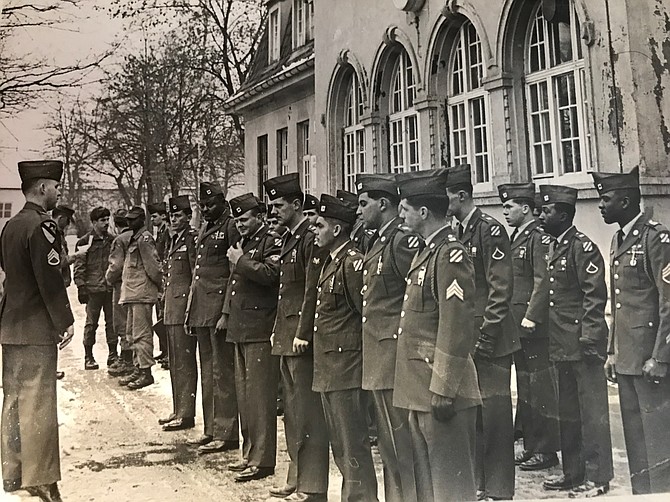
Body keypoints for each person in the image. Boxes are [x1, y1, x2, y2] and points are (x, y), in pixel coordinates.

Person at [393, 169, 481, 502]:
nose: (401, 214)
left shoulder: (449, 254)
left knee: (451, 488)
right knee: (430, 487)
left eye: (405, 208)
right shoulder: (427, 250)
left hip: (440, 388)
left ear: (423, 212)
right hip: (420, 386)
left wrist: (444, 388)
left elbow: (456, 324)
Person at [0, 160, 75, 502]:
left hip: (11, 327)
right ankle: (41, 477)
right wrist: (65, 320)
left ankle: (14, 472)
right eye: (56, 186)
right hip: (35, 328)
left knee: (14, 400)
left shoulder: (11, 225)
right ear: (43, 188)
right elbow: (49, 280)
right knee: (39, 403)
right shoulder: (42, 226)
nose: (58, 192)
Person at [593, 167, 670, 494]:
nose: (600, 205)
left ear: (625, 201)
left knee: (659, 442)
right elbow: (619, 301)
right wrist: (612, 351)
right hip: (627, 358)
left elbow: (667, 302)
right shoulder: (617, 238)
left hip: (649, 359)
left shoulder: (656, 237)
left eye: (605, 199)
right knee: (636, 439)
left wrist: (661, 357)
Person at [445, 164, 518, 500]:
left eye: (447, 194)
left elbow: (500, 289)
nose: (444, 200)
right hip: (469, 341)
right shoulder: (457, 232)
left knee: (495, 417)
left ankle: (500, 489)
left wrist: (485, 337)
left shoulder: (490, 231)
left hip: (492, 341)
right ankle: (479, 483)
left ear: (462, 195)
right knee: (473, 415)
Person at [538, 185, 613, 497]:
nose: (541, 215)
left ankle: (598, 478)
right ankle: (572, 473)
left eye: (547, 211)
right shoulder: (554, 246)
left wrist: (590, 339)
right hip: (561, 344)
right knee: (567, 412)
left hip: (583, 345)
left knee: (592, 415)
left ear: (564, 215)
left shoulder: (583, 247)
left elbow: (594, 297)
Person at [263, 173, 329, 502]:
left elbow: (310, 291)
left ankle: (313, 486)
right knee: (292, 410)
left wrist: (302, 333)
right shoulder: (290, 238)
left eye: (278, 205)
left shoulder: (308, 239)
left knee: (307, 413)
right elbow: (284, 293)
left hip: (300, 339)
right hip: (286, 335)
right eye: (270, 206)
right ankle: (297, 476)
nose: (272, 211)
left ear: (296, 204)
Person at [355, 173, 419, 502]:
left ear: (383, 204)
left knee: (401, 442)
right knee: (390, 444)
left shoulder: (400, 240)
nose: (358, 211)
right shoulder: (379, 239)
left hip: (394, 352)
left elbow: (417, 296)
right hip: (379, 353)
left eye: (363, 204)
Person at [312, 194, 378, 502]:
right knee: (340, 444)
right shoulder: (333, 260)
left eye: (320, 224)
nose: (314, 228)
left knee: (352, 444)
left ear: (337, 230)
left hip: (346, 368)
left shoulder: (352, 263)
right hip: (331, 367)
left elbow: (364, 315)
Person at [498, 183, 560, 471]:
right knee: (525, 389)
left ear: (525, 208)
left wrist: (533, 316)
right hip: (518, 327)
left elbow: (543, 279)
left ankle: (546, 451)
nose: (505, 211)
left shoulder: (538, 237)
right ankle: (531, 446)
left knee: (540, 389)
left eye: (509, 206)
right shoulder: (517, 237)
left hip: (532, 327)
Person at [223, 193, 281, 482]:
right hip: (242, 327)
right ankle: (249, 454)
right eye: (237, 220)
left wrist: (241, 261)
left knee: (259, 398)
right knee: (245, 397)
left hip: (259, 328)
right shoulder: (244, 243)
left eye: (244, 219)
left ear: (258, 217)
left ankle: (263, 459)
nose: (240, 224)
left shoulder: (270, 241)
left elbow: (272, 274)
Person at [185, 181, 240, 453]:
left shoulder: (230, 227)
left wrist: (226, 311)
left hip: (218, 309)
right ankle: (211, 428)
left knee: (222, 372)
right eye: (203, 205)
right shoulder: (206, 227)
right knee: (208, 370)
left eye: (210, 205)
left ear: (223, 202)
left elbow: (234, 272)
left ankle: (227, 432)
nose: (206, 210)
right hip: (202, 309)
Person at [159, 195, 198, 432]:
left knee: (184, 362)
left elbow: (195, 275)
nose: (174, 220)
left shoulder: (191, 240)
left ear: (188, 216)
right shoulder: (173, 240)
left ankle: (186, 413)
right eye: (171, 216)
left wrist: (190, 309)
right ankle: (178, 408)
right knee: (175, 362)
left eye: (179, 215)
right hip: (171, 309)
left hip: (183, 309)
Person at [118, 206, 163, 390]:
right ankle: (138, 367)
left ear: (142, 220)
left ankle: (146, 372)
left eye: (133, 219)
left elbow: (153, 267)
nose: (129, 222)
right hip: (132, 293)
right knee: (131, 333)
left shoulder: (145, 239)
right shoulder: (134, 239)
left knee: (141, 334)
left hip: (141, 293)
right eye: (128, 219)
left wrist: (159, 287)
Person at [73, 206, 115, 370]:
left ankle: (113, 355)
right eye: (102, 220)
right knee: (91, 324)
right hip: (93, 289)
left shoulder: (112, 240)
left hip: (109, 289)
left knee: (112, 323)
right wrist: (81, 286)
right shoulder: (85, 242)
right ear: (94, 222)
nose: (106, 223)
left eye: (107, 219)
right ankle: (88, 356)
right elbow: (79, 266)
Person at [105, 209, 134, 377]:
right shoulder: (137, 236)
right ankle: (132, 359)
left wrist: (108, 278)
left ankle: (126, 360)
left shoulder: (119, 240)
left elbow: (115, 266)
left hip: (121, 286)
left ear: (116, 225)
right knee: (133, 323)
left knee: (122, 323)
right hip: (136, 286)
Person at [148, 201, 170, 365]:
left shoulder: (167, 232)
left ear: (163, 215)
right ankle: (164, 350)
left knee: (164, 316)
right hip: (161, 278)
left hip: (165, 277)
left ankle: (169, 352)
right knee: (160, 315)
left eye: (155, 216)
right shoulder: (160, 232)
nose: (153, 219)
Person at [51, 204, 75, 287]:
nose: (68, 224)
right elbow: (55, 262)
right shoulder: (51, 235)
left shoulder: (59, 234)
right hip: (54, 283)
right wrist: (75, 257)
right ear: (61, 218)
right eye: (68, 220)